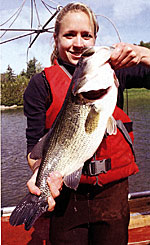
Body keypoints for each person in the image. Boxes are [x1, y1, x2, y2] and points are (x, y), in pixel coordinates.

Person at [24, 2, 150, 245]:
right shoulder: (39, 85)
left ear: (95, 38)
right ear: (56, 38)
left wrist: (142, 53)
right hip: (67, 199)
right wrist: (41, 175)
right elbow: (34, 150)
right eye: (69, 35)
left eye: (86, 35)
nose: (79, 43)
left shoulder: (115, 72)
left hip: (112, 195)